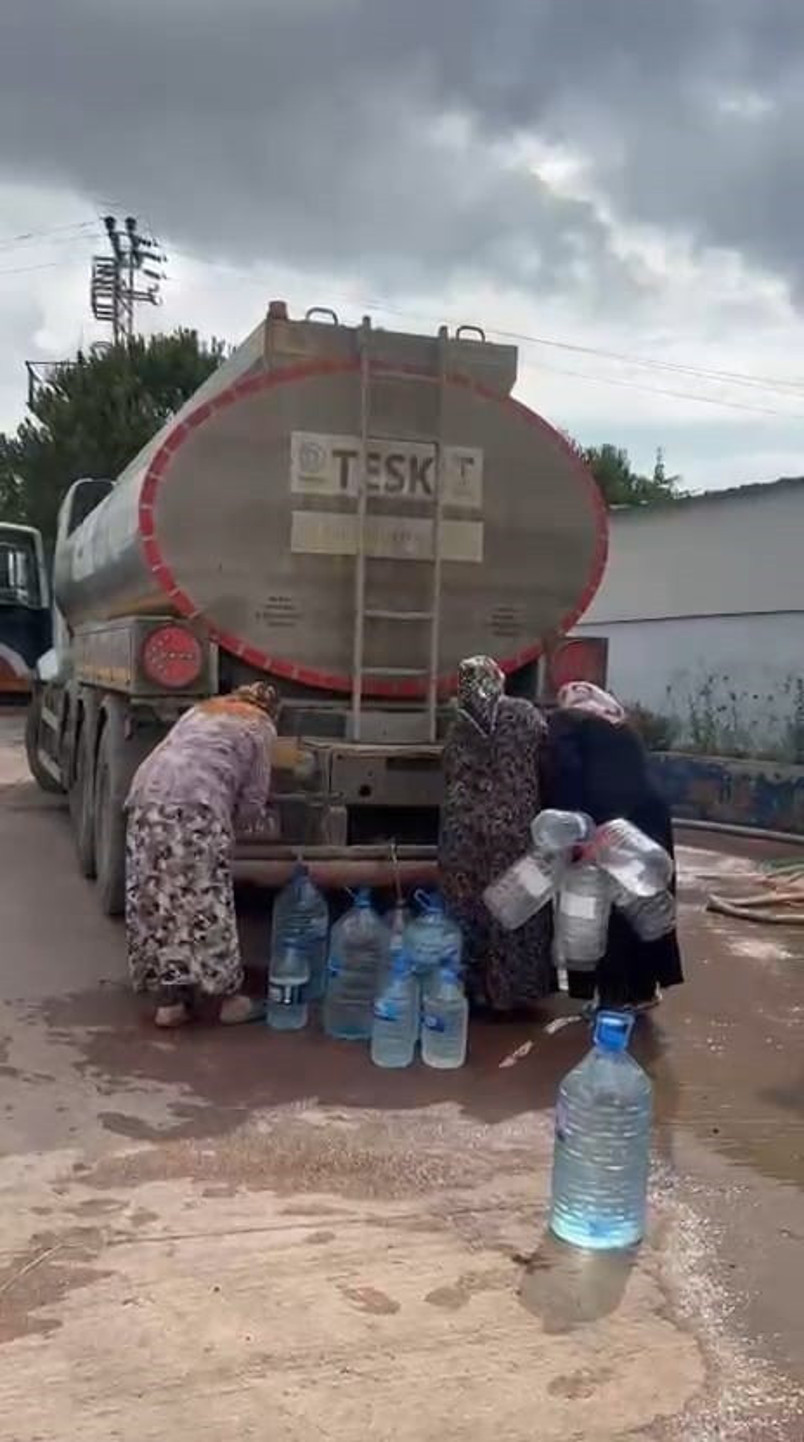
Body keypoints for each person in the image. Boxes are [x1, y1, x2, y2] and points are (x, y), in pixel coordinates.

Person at [125, 682, 278, 1028]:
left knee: (159, 897)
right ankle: (228, 1001)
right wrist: (233, 829)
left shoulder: (202, 710)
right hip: (196, 805)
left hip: (146, 798)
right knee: (205, 900)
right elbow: (254, 797)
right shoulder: (260, 724)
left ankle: (170, 1002)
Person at [541, 681, 684, 1011]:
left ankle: (613, 996)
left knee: (601, 910)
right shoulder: (620, 724)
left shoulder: (568, 725)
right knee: (646, 904)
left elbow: (568, 776)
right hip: (648, 821)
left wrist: (577, 836)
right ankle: (643, 988)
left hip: (606, 824)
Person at [439, 655, 554, 1014]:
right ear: (499, 680)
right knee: (517, 905)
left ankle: (474, 991)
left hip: (466, 833)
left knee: (469, 907)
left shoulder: (460, 723)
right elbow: (545, 752)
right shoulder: (524, 714)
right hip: (516, 830)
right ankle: (515, 994)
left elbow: (451, 772)